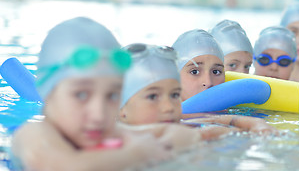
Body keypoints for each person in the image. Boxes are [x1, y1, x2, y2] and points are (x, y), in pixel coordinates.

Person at [11, 17, 202, 171]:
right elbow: (63, 167)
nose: (99, 114)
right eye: (81, 95)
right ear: (48, 93)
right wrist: (139, 154)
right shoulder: (33, 135)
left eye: (111, 96)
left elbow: (179, 135)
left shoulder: (107, 132)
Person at [171, 31, 277, 133]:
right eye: (195, 71)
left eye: (216, 71)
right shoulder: (163, 120)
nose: (208, 82)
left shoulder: (240, 114)